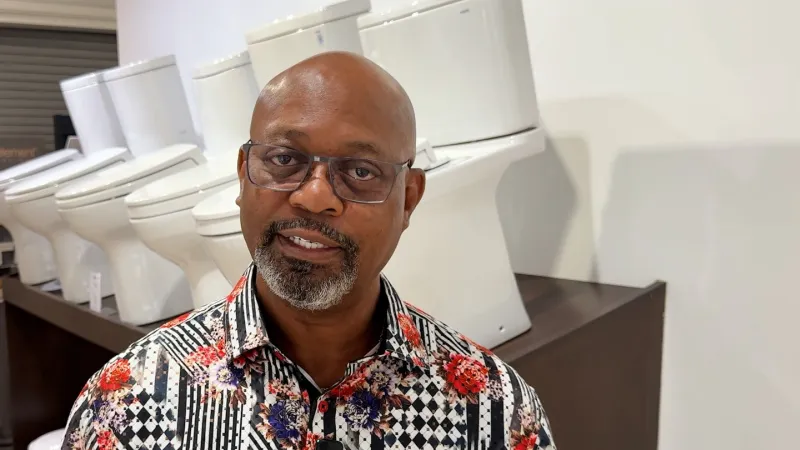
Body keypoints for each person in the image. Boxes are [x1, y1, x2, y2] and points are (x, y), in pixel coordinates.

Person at [62, 52, 555, 450]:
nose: (315, 196)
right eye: (284, 158)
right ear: (243, 176)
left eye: (360, 171)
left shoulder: (493, 409)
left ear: (408, 200)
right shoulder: (131, 400)